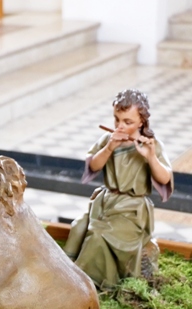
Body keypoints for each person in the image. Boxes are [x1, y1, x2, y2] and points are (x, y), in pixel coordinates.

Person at [64, 89, 174, 289]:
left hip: (132, 209)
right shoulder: (109, 139)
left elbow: (165, 178)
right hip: (106, 202)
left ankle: (88, 283)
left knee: (98, 235)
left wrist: (150, 157)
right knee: (79, 225)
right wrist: (109, 148)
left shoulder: (151, 145)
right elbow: (93, 166)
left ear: (141, 121)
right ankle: (68, 269)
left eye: (127, 122)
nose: (120, 126)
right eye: (117, 120)